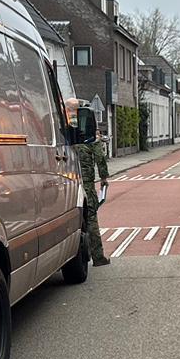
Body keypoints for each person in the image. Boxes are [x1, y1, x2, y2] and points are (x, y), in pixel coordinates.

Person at [66, 98, 110, 268]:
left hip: (66, 182)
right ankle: (98, 256)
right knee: (90, 217)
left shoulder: (61, 129)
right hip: (86, 182)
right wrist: (104, 178)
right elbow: (99, 157)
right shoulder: (88, 131)